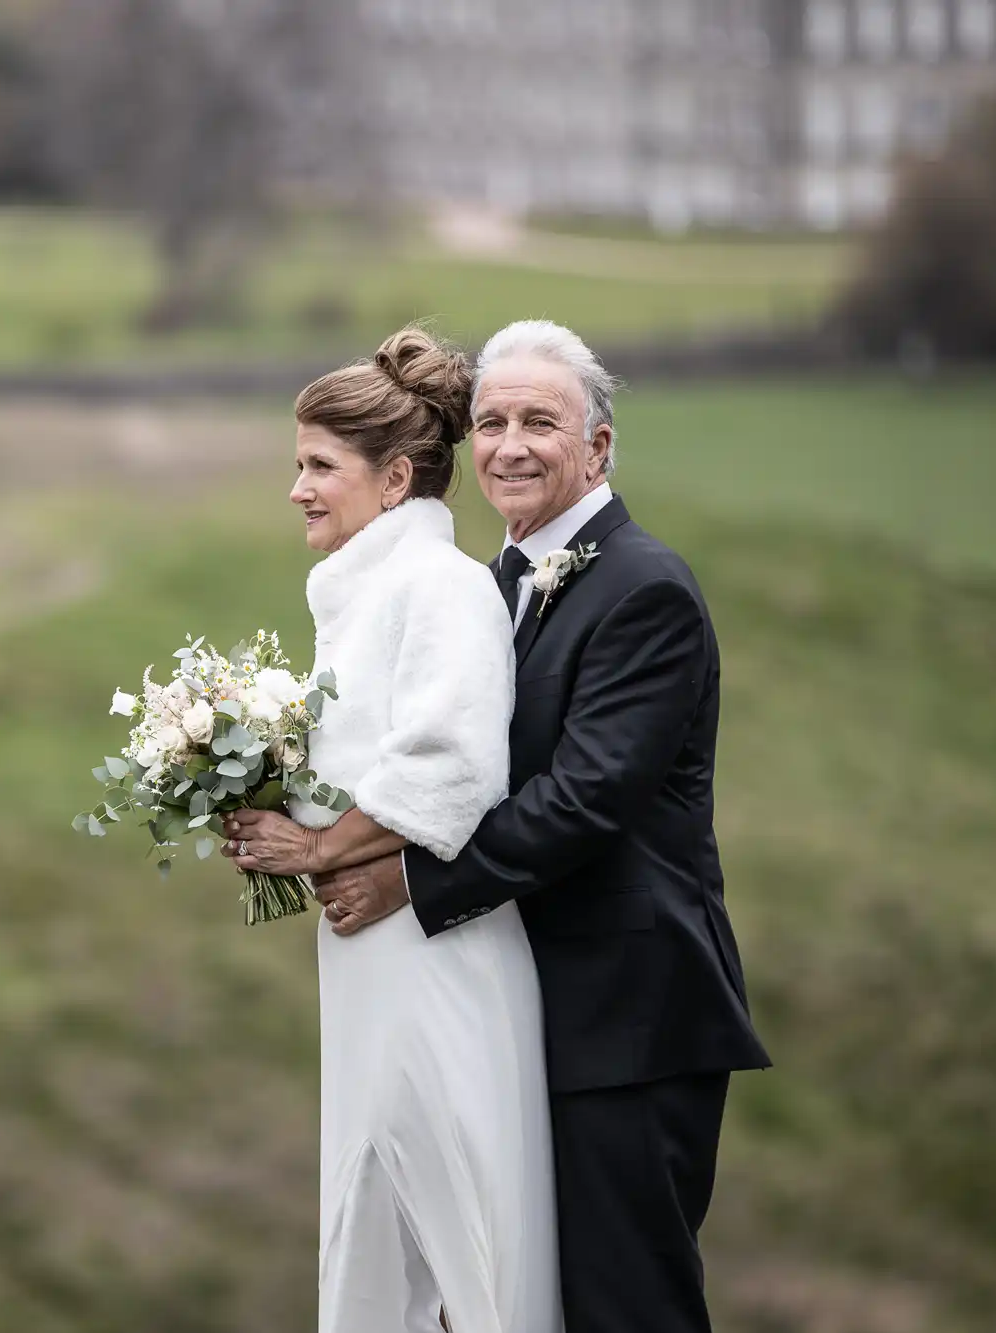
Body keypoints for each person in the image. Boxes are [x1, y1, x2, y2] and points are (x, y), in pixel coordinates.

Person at [238, 320, 771, 1333]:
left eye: (539, 421)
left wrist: (402, 878)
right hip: (525, 1001)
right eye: (490, 421)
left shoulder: (641, 588)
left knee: (628, 1306)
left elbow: (582, 800)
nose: (509, 444)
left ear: (599, 447)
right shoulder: (496, 585)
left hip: (628, 1013)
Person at [224, 327, 562, 1333]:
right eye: (297, 464)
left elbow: (451, 774)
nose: (295, 488)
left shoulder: (441, 588)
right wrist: (256, 802)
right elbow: (362, 759)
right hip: (369, 965)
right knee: (366, 1224)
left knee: (459, 1228)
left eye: (317, 466)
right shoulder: (360, 598)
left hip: (438, 962)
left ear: (395, 477)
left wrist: (320, 849)